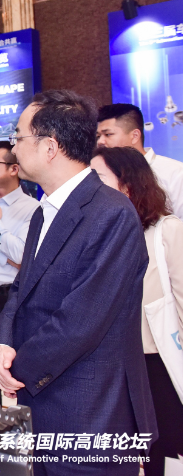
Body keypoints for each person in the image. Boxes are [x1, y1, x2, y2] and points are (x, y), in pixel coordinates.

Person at [0, 90, 157, 475]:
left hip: (88, 412)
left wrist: (15, 369)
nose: (14, 148)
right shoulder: (43, 212)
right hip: (39, 404)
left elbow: (80, 322)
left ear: (49, 146)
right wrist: (1, 345)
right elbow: (21, 292)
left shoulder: (111, 214)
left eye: (19, 137)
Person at [90, 146, 183, 476]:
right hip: (116, 366)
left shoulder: (167, 231)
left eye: (98, 178)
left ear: (128, 185)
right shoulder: (100, 238)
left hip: (160, 363)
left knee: (168, 451)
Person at [97, 103, 183, 219]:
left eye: (108, 134)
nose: (100, 142)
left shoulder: (175, 173)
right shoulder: (98, 174)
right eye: (98, 136)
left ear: (135, 136)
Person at [0, 141, 39, 312]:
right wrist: (6, 259)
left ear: (14, 169)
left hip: (8, 294)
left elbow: (20, 256)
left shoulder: (32, 208)